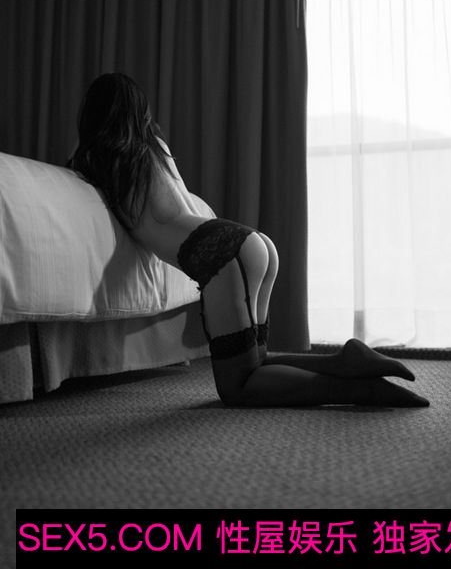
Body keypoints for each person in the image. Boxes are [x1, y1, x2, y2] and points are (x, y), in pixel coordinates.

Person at [68, 73, 429, 408]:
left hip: (219, 254)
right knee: (256, 362)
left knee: (238, 388)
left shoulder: (102, 158)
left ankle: (358, 390)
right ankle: (345, 361)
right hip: (251, 242)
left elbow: (79, 184)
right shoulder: (156, 149)